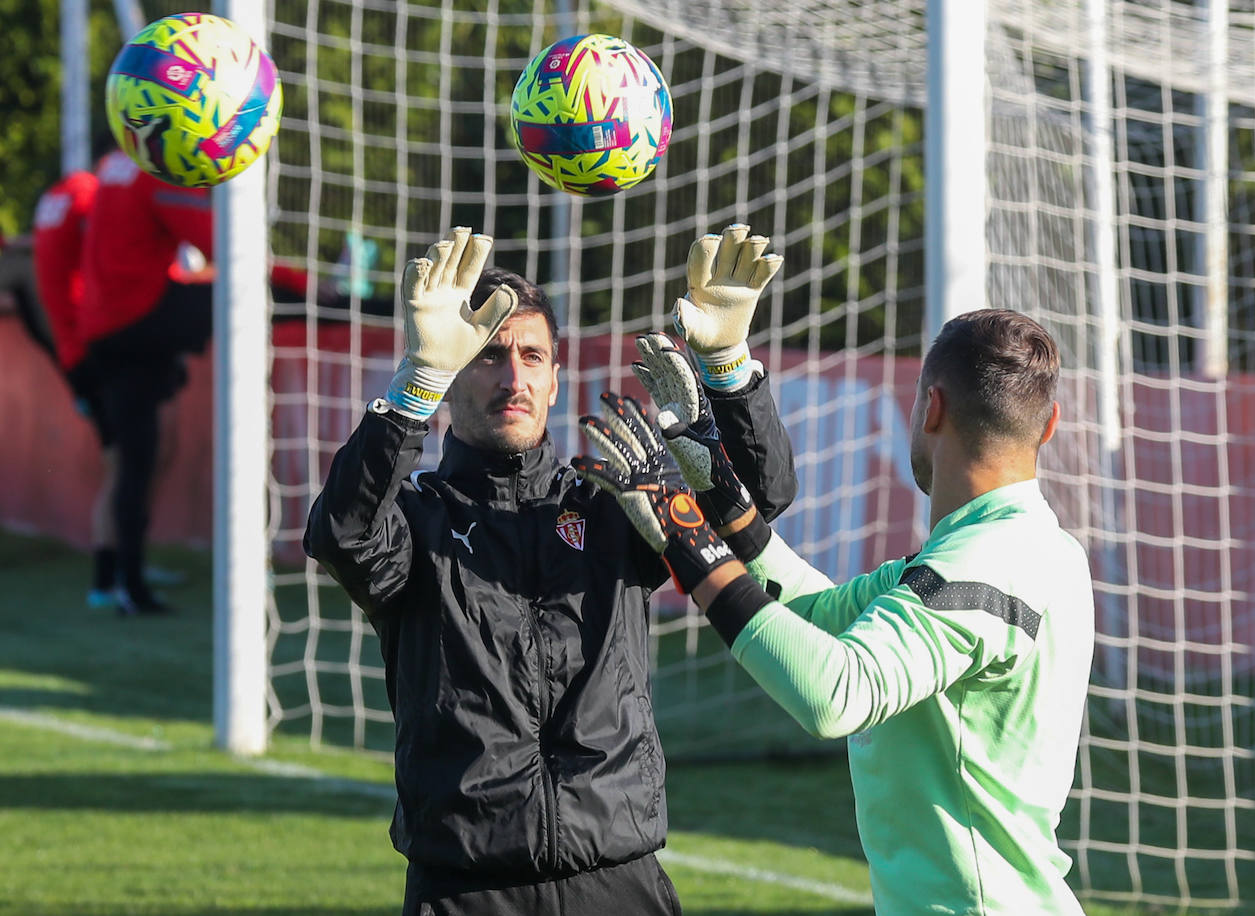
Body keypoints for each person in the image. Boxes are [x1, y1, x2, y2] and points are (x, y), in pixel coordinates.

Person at [304, 224, 795, 915]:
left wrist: (728, 369)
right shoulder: (416, 518)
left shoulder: (612, 503)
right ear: (451, 369)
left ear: (556, 378)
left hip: (619, 876)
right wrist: (415, 386)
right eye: (489, 355)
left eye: (533, 356)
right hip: (466, 886)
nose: (514, 377)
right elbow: (341, 536)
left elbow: (756, 507)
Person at [575, 308, 1095, 915]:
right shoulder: (1034, 549)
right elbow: (820, 616)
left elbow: (836, 693)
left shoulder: (981, 564)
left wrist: (689, 544)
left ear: (931, 409)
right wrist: (712, 478)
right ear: (1049, 424)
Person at [77, 147, 216, 614]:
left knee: (137, 459)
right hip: (134, 330)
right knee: (133, 464)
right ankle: (127, 584)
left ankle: (115, 578)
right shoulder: (157, 168)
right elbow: (222, 246)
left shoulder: (113, 167)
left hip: (107, 332)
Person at [30, 161, 125, 606]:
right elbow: (107, 257)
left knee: (128, 460)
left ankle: (120, 565)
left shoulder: (55, 196)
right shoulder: (90, 193)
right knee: (123, 464)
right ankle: (108, 580)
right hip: (93, 351)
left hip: (73, 354)